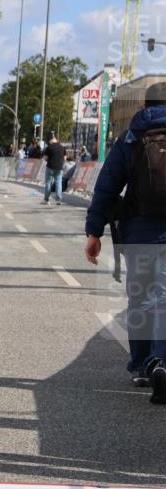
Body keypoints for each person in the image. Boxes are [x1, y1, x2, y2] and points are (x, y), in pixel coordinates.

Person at [84, 82, 166, 403]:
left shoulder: (131, 137)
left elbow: (107, 187)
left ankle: (144, 365)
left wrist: (94, 232)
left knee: (142, 299)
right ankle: (162, 359)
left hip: (138, 233)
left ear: (145, 104)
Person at [41, 134, 66, 205]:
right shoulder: (62, 147)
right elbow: (65, 158)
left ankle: (46, 199)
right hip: (59, 168)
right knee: (58, 183)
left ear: (50, 141)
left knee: (48, 183)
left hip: (50, 167)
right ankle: (58, 200)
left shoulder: (49, 148)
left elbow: (45, 158)